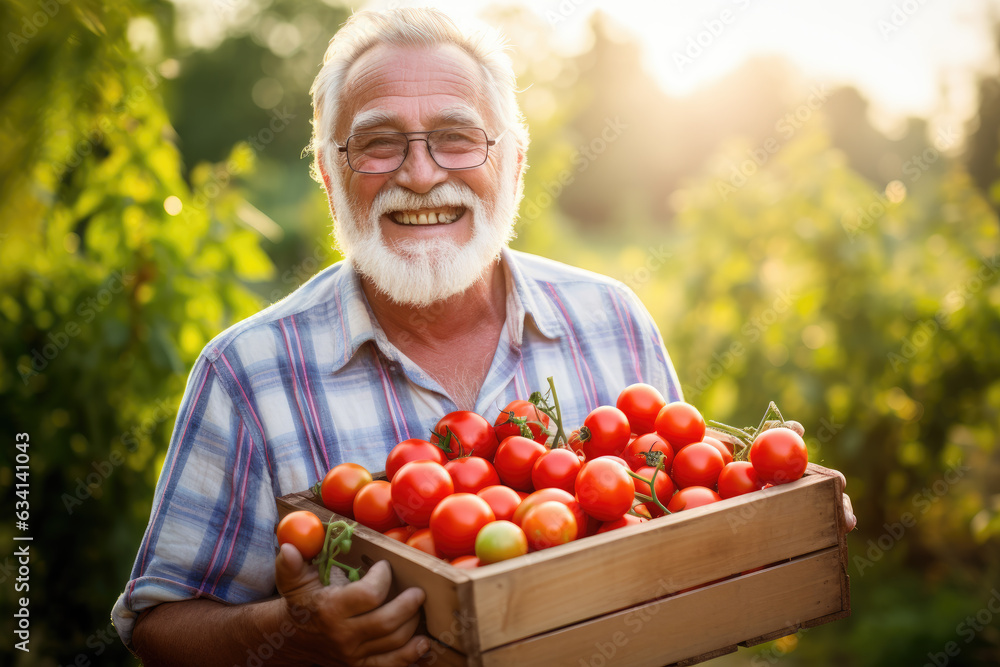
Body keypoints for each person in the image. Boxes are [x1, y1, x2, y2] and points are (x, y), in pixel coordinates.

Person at [114, 8, 854, 667]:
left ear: (515, 166)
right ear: (330, 178)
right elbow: (158, 625)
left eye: (457, 137)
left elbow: (679, 542)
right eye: (376, 145)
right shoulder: (248, 375)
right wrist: (287, 641)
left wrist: (776, 525)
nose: (421, 174)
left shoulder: (614, 321)